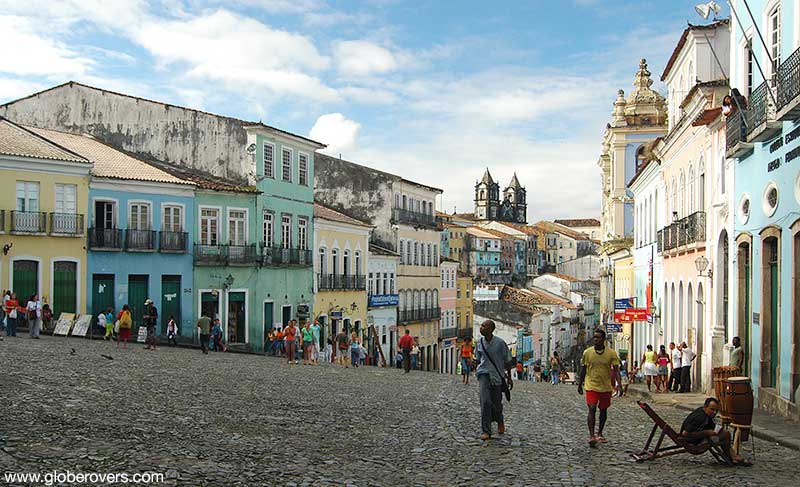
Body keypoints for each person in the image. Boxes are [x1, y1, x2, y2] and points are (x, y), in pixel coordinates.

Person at [578, 329, 621, 447]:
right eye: (595, 337)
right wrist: (580, 384)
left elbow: (616, 370)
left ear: (604, 340)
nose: (595, 339)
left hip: (605, 386)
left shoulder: (611, 353)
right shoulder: (587, 353)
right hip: (591, 385)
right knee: (592, 408)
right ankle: (592, 436)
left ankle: (600, 433)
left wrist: (619, 385)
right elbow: (583, 369)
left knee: (603, 410)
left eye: (598, 337)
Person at [680, 397, 750, 466]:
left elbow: (711, 426)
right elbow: (685, 433)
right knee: (726, 434)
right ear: (705, 407)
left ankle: (733, 456)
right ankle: (732, 457)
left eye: (716, 411)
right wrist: (706, 433)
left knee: (724, 432)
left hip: (700, 437)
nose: (714, 412)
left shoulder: (705, 413)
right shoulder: (700, 417)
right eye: (712, 409)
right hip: (693, 441)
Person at [475, 320, 513, 441]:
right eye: (481, 325)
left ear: (491, 329)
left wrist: (509, 377)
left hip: (497, 376)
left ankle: (499, 419)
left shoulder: (500, 343)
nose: (481, 328)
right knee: (485, 402)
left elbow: (507, 360)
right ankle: (486, 430)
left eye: (483, 326)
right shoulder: (479, 342)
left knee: (496, 403)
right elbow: (479, 358)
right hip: (483, 374)